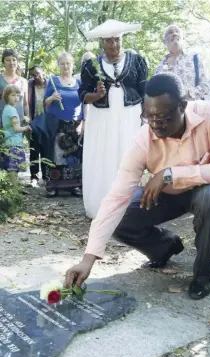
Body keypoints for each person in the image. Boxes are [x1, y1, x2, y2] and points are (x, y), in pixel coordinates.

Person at [65, 73, 210, 300]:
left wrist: (170, 174)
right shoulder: (142, 139)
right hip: (168, 196)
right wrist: (88, 259)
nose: (155, 124)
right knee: (120, 216)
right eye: (149, 116)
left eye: (164, 118)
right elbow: (116, 198)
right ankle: (165, 246)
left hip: (207, 191)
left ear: (182, 106)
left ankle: (202, 273)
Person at [79, 19, 148, 219]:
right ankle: (102, 206)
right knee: (104, 157)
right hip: (102, 120)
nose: (114, 44)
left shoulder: (137, 61)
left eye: (117, 39)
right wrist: (96, 95)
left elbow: (144, 91)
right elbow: (82, 93)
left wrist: (147, 116)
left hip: (129, 118)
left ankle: (130, 205)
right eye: (109, 41)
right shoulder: (91, 65)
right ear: (102, 42)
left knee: (127, 156)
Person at [42, 52, 84, 197]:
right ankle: (53, 186)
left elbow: (84, 104)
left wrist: (83, 123)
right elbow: (44, 102)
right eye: (62, 63)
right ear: (58, 65)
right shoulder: (53, 81)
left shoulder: (79, 83)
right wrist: (51, 98)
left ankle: (74, 185)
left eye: (68, 63)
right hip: (57, 123)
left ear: (73, 65)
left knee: (74, 155)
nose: (66, 66)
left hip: (74, 124)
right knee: (56, 155)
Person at [155, 24, 209, 100]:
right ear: (164, 41)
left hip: (192, 109)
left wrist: (188, 93)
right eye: (170, 32)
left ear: (183, 38)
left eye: (177, 31)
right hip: (169, 110)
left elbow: (205, 86)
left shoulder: (195, 59)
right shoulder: (159, 68)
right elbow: (156, 92)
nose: (174, 34)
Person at [0, 85, 31, 183]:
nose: (16, 98)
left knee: (12, 169)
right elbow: (16, 129)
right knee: (13, 169)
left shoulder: (6, 109)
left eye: (18, 95)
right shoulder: (12, 110)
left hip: (8, 142)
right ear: (6, 96)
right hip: (14, 143)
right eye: (13, 95)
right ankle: (14, 189)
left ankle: (15, 187)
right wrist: (26, 128)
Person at [28, 65, 47, 187]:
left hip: (47, 122)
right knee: (34, 150)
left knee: (46, 149)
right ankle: (34, 177)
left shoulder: (50, 84)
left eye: (38, 73)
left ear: (43, 73)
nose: (36, 76)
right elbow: (27, 102)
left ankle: (46, 176)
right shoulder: (30, 85)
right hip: (35, 121)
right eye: (33, 75)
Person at [0, 49, 29, 123]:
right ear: (3, 62)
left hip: (19, 123)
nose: (11, 62)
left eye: (14, 60)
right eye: (8, 60)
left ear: (17, 62)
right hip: (2, 122)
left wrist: (28, 118)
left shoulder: (24, 81)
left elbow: (25, 103)